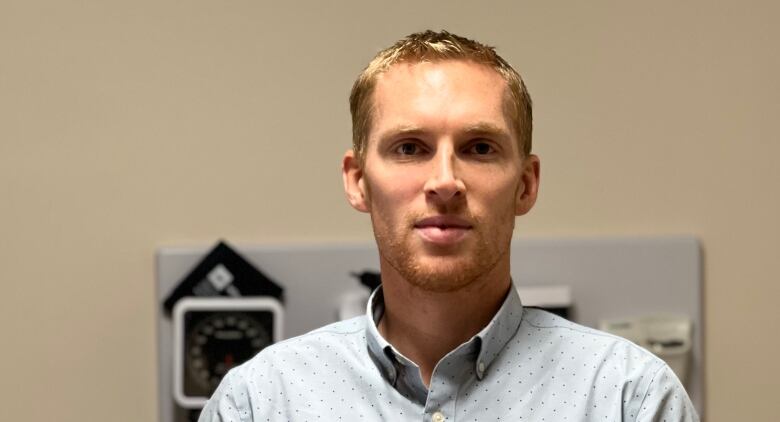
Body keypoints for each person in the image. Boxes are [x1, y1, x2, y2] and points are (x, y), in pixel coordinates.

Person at [199, 30, 698, 421]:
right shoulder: (260, 404)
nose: (444, 181)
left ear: (526, 184)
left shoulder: (629, 400)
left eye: (479, 148)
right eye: (409, 148)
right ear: (358, 182)